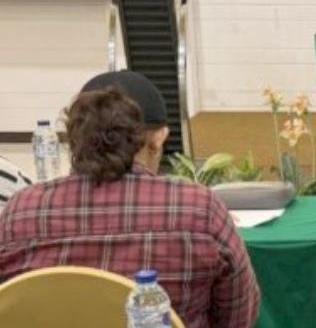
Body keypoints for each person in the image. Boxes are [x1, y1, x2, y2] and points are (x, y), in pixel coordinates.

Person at [0, 71, 260, 328]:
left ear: (76, 137)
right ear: (158, 138)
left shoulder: (19, 213)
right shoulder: (200, 210)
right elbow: (238, 317)